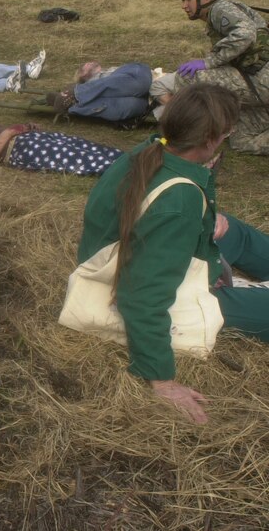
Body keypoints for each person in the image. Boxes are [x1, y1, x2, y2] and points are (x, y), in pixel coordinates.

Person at [76, 83, 269, 425]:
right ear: (210, 140)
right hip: (148, 285)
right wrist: (162, 379)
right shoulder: (179, 205)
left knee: (232, 229)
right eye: (227, 133)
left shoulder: (154, 148)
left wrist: (204, 220)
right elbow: (143, 296)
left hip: (149, 247)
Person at [171, 0, 269, 155]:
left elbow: (246, 34)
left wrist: (210, 61)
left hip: (260, 81)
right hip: (257, 80)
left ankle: (187, 137)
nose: (184, 5)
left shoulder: (219, 9)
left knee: (187, 79)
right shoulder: (230, 8)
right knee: (242, 141)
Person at [0, 120, 122, 174]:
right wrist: (8, 133)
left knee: (85, 145)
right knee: (79, 156)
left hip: (28, 137)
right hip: (18, 150)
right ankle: (129, 169)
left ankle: (132, 158)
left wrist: (25, 127)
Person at [46, 62, 154, 123]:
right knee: (130, 104)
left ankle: (74, 99)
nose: (89, 63)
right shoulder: (94, 81)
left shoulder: (112, 73)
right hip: (144, 104)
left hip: (140, 77)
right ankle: (73, 101)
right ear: (84, 76)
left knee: (136, 84)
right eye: (83, 67)